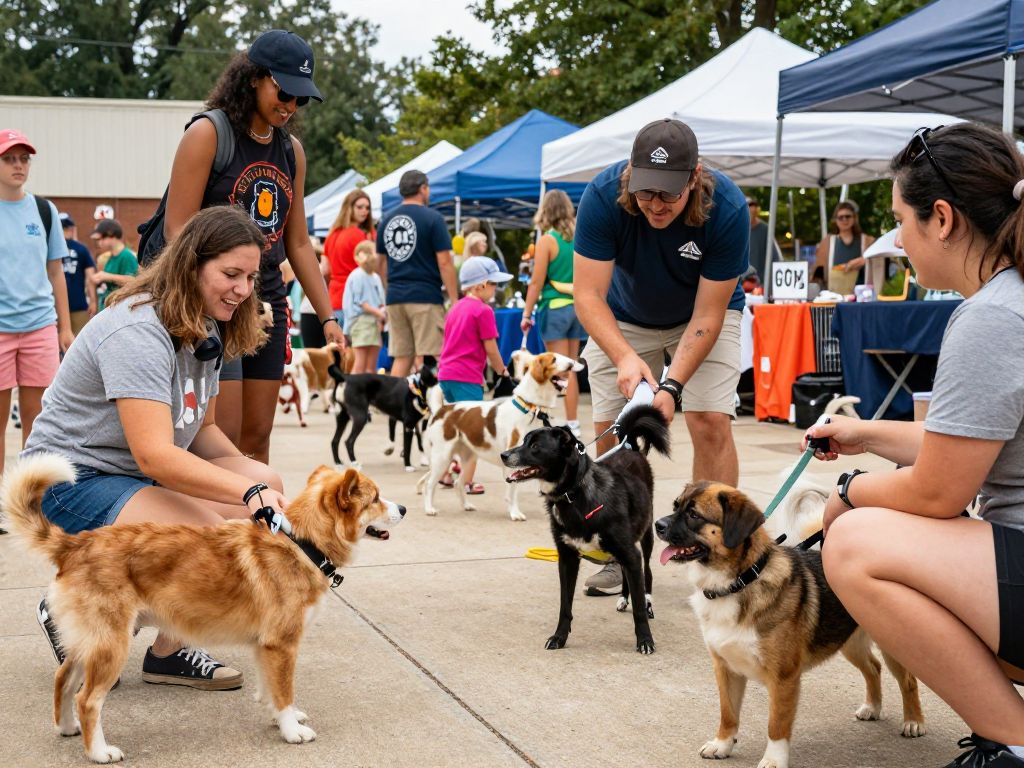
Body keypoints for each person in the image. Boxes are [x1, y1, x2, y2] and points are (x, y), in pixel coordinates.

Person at [805, 123, 1024, 767]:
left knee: (853, 540)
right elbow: (975, 440)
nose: (898, 239)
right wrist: (866, 435)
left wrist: (848, 492)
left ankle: (1013, 740)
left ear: (944, 219)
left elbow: (937, 491)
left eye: (902, 220)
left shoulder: (989, 317)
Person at [23, 206, 286, 691]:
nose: (244, 290)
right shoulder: (138, 330)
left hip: (129, 476)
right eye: (231, 274)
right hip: (70, 482)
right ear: (190, 266)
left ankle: (168, 652)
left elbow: (200, 432)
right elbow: (156, 456)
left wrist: (254, 482)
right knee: (207, 536)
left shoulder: (206, 323)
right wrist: (244, 492)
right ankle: (76, 596)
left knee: (268, 483)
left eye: (250, 277)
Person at [573, 118, 748, 596]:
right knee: (612, 431)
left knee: (711, 419)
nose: (656, 204)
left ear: (694, 179)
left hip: (702, 314)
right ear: (630, 174)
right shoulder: (601, 195)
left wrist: (671, 387)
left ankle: (719, 556)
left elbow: (709, 314)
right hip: (624, 315)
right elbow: (587, 296)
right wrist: (627, 357)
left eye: (669, 194)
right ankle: (617, 551)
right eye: (646, 191)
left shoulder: (727, 207)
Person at [163, 28, 343, 462]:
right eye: (284, 91)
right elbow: (177, 233)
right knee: (220, 437)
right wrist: (221, 299)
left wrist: (328, 316)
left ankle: (252, 528)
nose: (290, 105)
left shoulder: (291, 151)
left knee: (258, 436)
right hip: (213, 300)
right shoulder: (209, 134)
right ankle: (215, 530)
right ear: (254, 78)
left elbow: (297, 242)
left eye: (300, 98)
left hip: (268, 300)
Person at [0, 129, 74, 480]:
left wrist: (65, 327)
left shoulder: (44, 211)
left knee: (38, 423)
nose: (18, 165)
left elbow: (56, 271)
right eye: (9, 159)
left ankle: (28, 503)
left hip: (39, 327)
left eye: (24, 159)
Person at [436, 256, 513, 495]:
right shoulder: (483, 310)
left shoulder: (455, 307)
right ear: (480, 285)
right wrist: (502, 369)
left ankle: (447, 474)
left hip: (446, 376)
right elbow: (490, 347)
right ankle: (467, 482)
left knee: (454, 430)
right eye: (493, 284)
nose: (496, 289)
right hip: (467, 378)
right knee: (473, 432)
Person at [377, 169, 458, 379]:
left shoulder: (386, 220)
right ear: (423, 188)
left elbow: (381, 264)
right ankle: (436, 407)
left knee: (402, 357)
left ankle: (394, 410)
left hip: (395, 296)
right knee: (435, 354)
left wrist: (389, 291)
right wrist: (455, 300)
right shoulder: (433, 218)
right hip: (425, 296)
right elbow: (445, 262)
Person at [521, 189, 585, 438]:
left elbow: (536, 282)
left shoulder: (548, 240)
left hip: (555, 309)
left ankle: (551, 419)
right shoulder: (580, 235)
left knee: (554, 370)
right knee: (570, 368)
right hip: (577, 308)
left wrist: (526, 313)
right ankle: (573, 422)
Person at [325, 188, 375, 330]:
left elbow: (325, 269)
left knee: (339, 350)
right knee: (358, 351)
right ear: (349, 208)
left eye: (367, 208)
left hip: (334, 300)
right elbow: (373, 268)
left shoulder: (332, 235)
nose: (364, 211)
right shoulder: (361, 236)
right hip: (357, 302)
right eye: (360, 207)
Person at [812, 200, 876, 295]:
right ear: (836, 220)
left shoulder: (867, 241)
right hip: (834, 297)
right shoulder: (827, 242)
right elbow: (817, 274)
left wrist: (865, 260)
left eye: (848, 216)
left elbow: (882, 263)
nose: (844, 220)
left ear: (854, 218)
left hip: (861, 297)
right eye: (840, 217)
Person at [342, 241, 386, 373]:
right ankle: (355, 391)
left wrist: (380, 319)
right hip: (361, 322)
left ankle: (366, 391)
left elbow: (380, 302)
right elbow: (362, 303)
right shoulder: (358, 275)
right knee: (360, 364)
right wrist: (380, 315)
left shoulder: (375, 277)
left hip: (373, 322)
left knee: (370, 366)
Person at [88, 219, 138, 311]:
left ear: (111, 234)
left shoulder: (127, 256)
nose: (99, 243)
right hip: (108, 308)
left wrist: (106, 276)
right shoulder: (110, 257)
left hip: (120, 310)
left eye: (101, 238)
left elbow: (134, 281)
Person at [59, 212, 97, 335]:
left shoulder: (48, 248)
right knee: (80, 342)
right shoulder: (81, 249)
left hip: (54, 306)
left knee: (55, 344)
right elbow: (90, 277)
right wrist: (93, 301)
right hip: (79, 304)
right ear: (70, 229)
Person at [744, 196, 781, 285]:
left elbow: (774, 257)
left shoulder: (765, 229)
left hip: (760, 283)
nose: (751, 210)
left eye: (753, 208)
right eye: (748, 207)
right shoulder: (738, 229)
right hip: (741, 282)